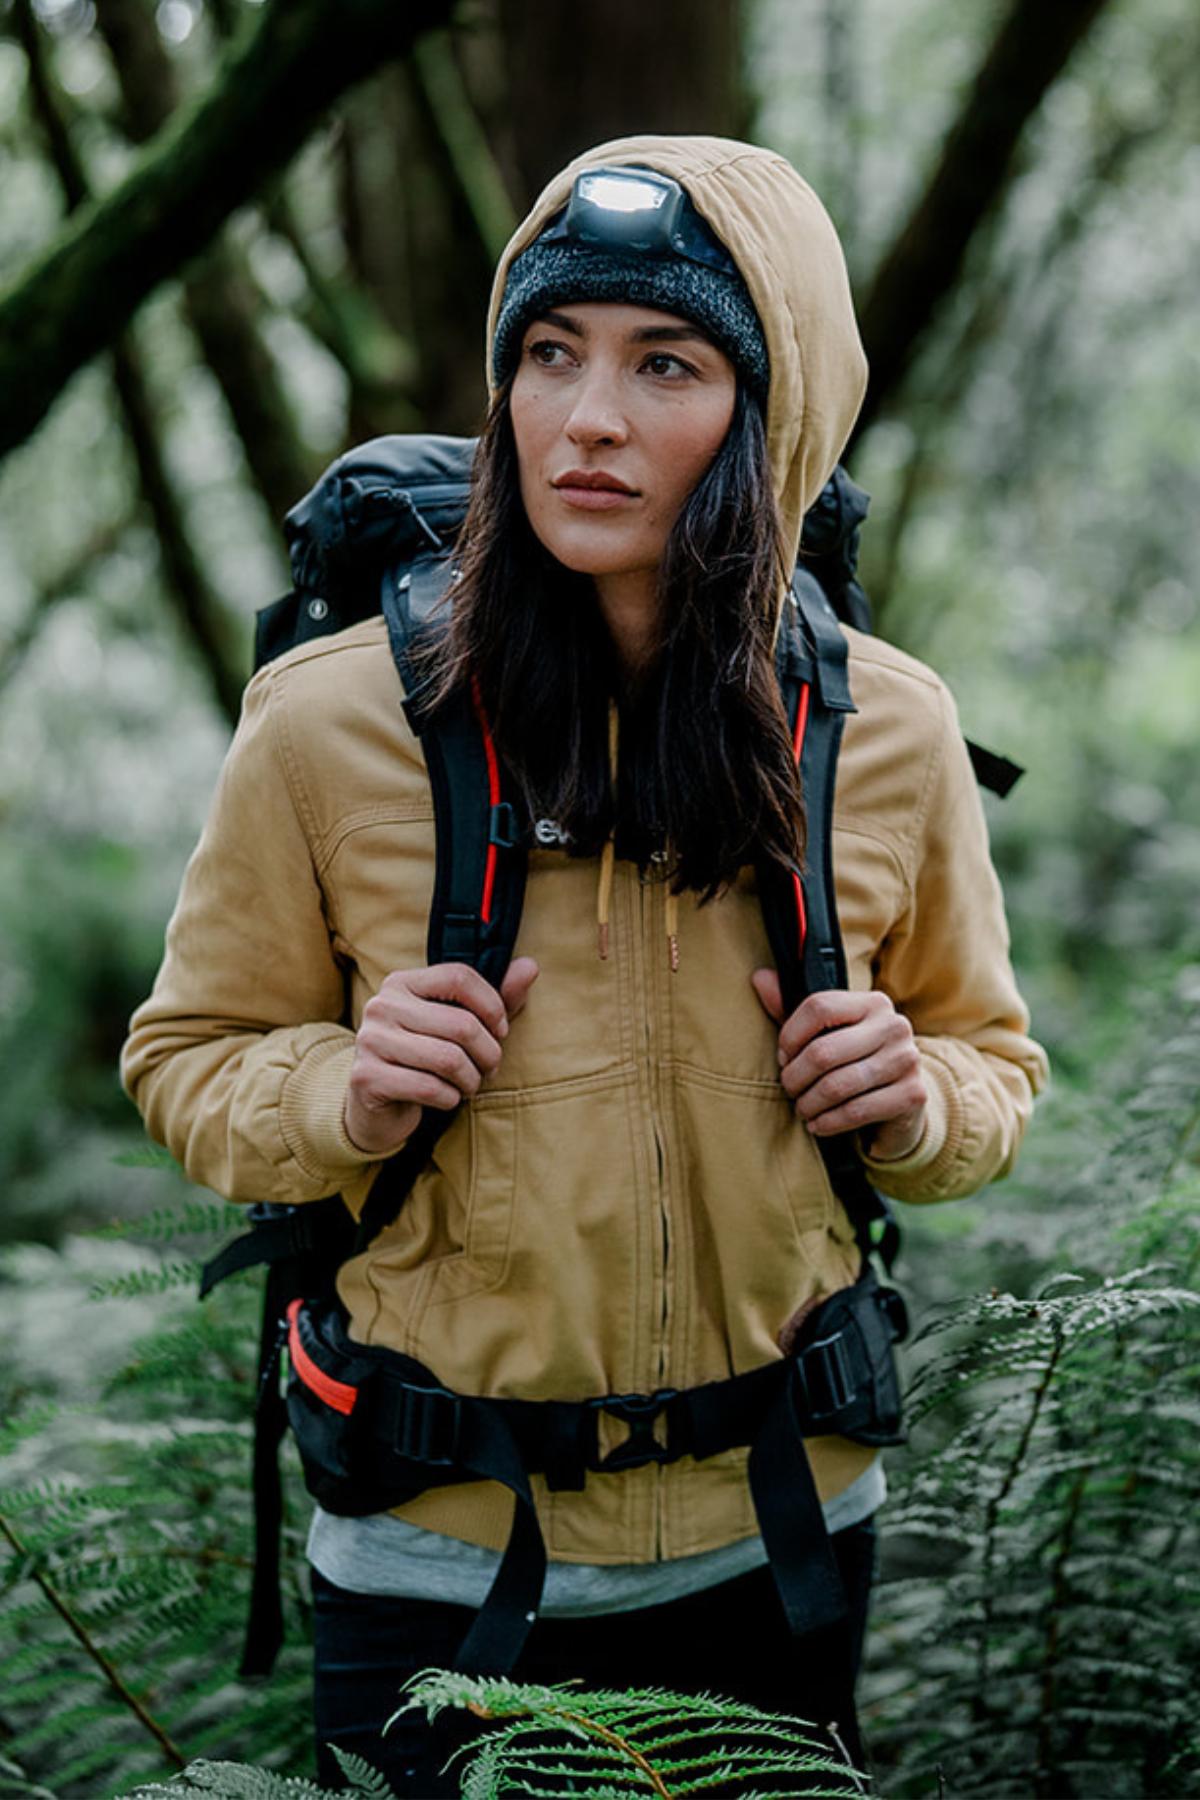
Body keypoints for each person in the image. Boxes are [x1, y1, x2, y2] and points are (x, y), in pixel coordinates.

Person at [121, 134, 1048, 1795]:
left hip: (784, 1537)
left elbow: (994, 1064)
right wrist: (341, 1087)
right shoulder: (331, 723)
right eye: (550, 355)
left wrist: (917, 1099)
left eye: (665, 365)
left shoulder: (886, 729)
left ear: (774, 421)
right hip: (438, 1564)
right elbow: (187, 1056)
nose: (587, 418)